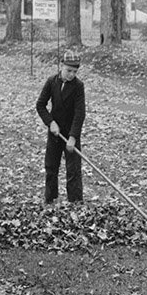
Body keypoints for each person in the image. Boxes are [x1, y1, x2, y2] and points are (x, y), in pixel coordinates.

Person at [36, 50, 86, 204]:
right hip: (55, 133)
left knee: (73, 169)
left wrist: (72, 137)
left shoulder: (78, 86)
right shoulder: (52, 82)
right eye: (68, 70)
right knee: (51, 167)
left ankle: (75, 202)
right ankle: (50, 199)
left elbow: (79, 113)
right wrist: (50, 122)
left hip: (71, 133)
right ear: (61, 66)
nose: (71, 74)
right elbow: (40, 105)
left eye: (74, 71)